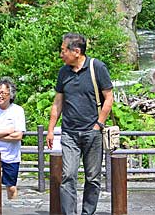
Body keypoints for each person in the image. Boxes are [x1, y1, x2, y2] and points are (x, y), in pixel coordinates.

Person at [47, 33, 113, 215]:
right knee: (68, 175)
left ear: (76, 51)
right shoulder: (63, 72)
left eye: (63, 51)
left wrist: (99, 124)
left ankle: (87, 213)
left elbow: (109, 98)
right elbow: (57, 102)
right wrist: (51, 129)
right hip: (69, 133)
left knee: (92, 178)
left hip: (93, 131)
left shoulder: (97, 67)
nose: (61, 55)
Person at [0, 77, 26, 200]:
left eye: (3, 93)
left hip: (11, 155)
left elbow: (18, 136)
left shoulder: (18, 110)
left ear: (10, 94)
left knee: (11, 186)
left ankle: (12, 206)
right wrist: (7, 131)